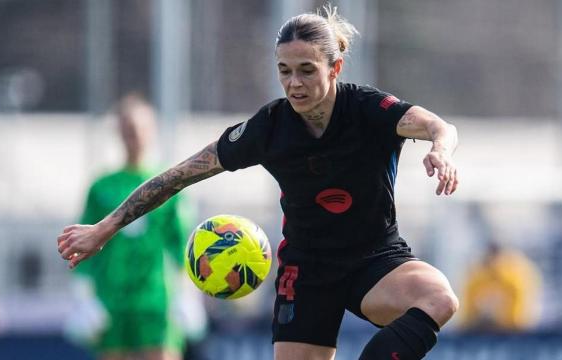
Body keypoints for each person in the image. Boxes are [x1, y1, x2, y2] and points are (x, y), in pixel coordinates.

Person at [58, 6, 459, 360]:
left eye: (307, 70)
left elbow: (439, 126)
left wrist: (441, 149)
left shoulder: (369, 109)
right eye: (284, 71)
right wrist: (103, 228)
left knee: (438, 297)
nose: (294, 84)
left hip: (376, 260)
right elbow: (176, 176)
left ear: (334, 68)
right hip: (308, 272)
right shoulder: (269, 128)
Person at [67, 93, 201, 360]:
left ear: (151, 131)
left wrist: (188, 293)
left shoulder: (168, 183)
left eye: (139, 129)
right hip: (112, 299)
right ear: (118, 132)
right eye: (128, 130)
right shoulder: (102, 187)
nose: (134, 137)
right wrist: (83, 294)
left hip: (156, 298)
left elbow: (181, 242)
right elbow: (83, 241)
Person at [461, 241, 542, 332]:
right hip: (481, 331)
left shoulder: (514, 281)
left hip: (511, 332)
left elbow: (519, 320)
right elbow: (468, 317)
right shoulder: (476, 281)